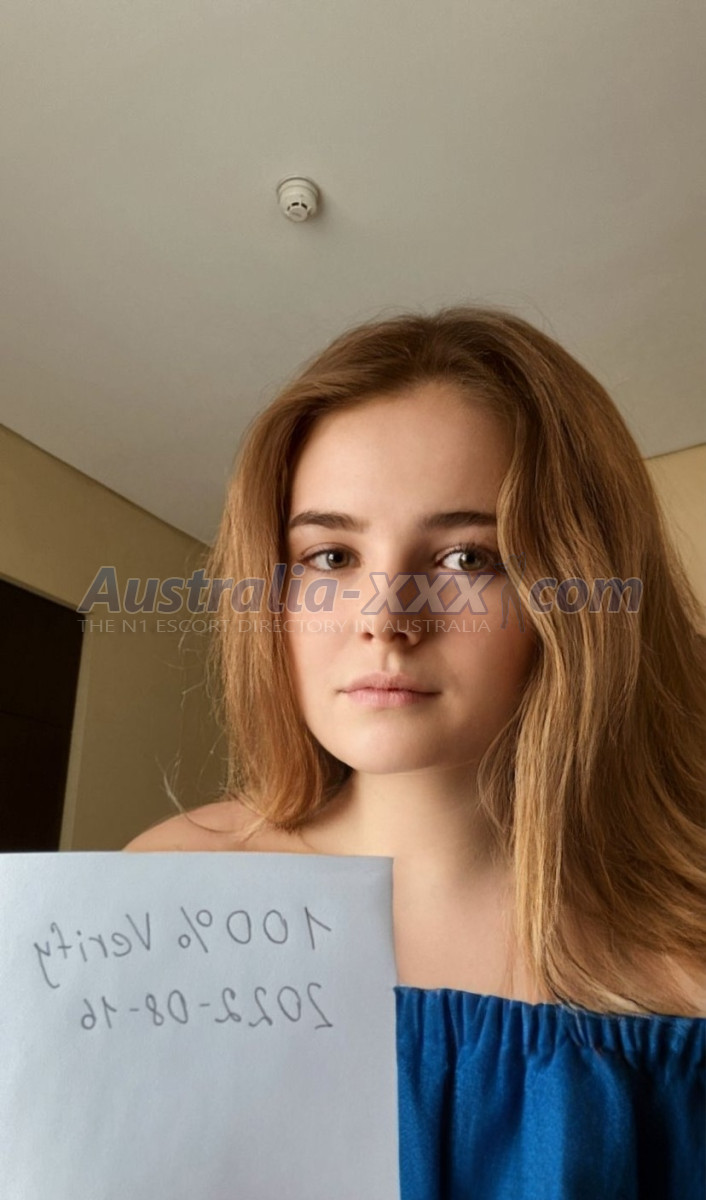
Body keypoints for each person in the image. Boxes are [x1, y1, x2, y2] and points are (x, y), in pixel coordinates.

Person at [124, 306, 706, 1198]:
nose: (385, 618)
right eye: (330, 556)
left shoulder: (685, 948)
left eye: (468, 559)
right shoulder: (161, 890)